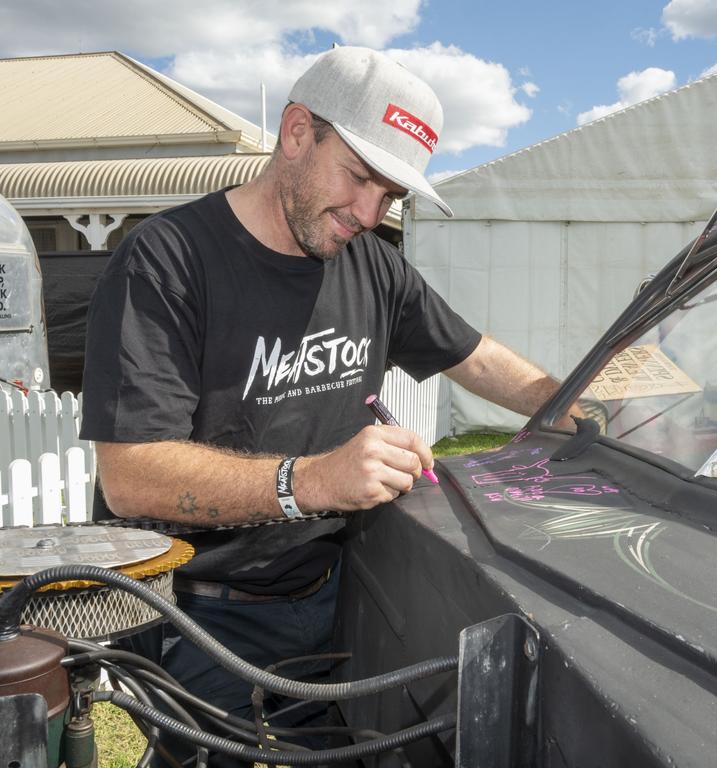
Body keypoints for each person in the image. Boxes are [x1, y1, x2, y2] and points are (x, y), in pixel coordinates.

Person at [80, 46, 567, 763]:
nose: (370, 214)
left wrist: (566, 401)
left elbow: (473, 353)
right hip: (198, 611)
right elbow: (130, 476)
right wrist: (311, 480)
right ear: (298, 132)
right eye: (361, 177)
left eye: (392, 196)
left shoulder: (371, 263)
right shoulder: (166, 259)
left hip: (330, 590)